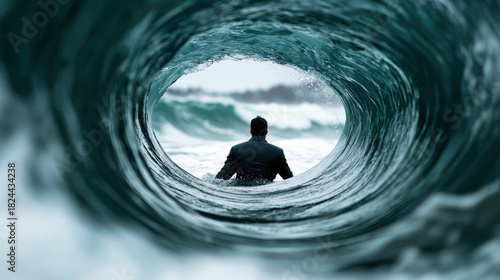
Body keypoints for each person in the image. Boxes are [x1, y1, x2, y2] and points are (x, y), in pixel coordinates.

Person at [216, 116, 293, 185]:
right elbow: (290, 179)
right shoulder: (277, 152)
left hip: (242, 193)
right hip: (265, 192)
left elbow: (221, 178)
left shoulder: (236, 150)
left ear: (251, 132)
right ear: (266, 132)